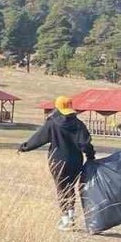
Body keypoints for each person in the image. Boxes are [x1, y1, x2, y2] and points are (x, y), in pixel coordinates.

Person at [19, 96, 95, 230]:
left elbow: (39, 138)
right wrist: (90, 157)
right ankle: (71, 216)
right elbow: (85, 144)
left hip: (58, 161)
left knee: (61, 188)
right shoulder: (78, 124)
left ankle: (65, 219)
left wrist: (25, 147)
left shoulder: (52, 123)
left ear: (58, 107)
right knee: (70, 186)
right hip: (76, 161)